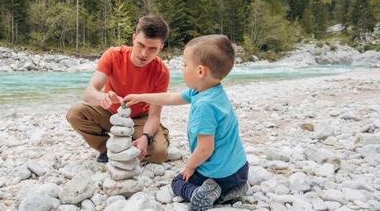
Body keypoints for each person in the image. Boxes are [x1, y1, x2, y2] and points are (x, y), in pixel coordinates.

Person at [123, 35, 249, 211]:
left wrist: (189, 166)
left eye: (184, 64)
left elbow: (205, 149)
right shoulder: (211, 91)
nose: (182, 69)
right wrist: (140, 96)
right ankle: (234, 189)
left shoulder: (204, 106)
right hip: (241, 169)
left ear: (200, 71)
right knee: (222, 180)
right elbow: (170, 97)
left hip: (218, 175)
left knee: (178, 182)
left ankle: (204, 194)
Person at [66, 15, 171, 164]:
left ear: (161, 47)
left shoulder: (161, 71)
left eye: (152, 48)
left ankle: (149, 137)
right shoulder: (113, 55)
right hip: (110, 112)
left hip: (140, 118)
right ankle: (107, 148)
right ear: (134, 38)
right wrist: (104, 98)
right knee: (75, 113)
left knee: (159, 154)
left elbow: (154, 115)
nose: (144, 54)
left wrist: (145, 138)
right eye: (141, 45)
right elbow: (89, 94)